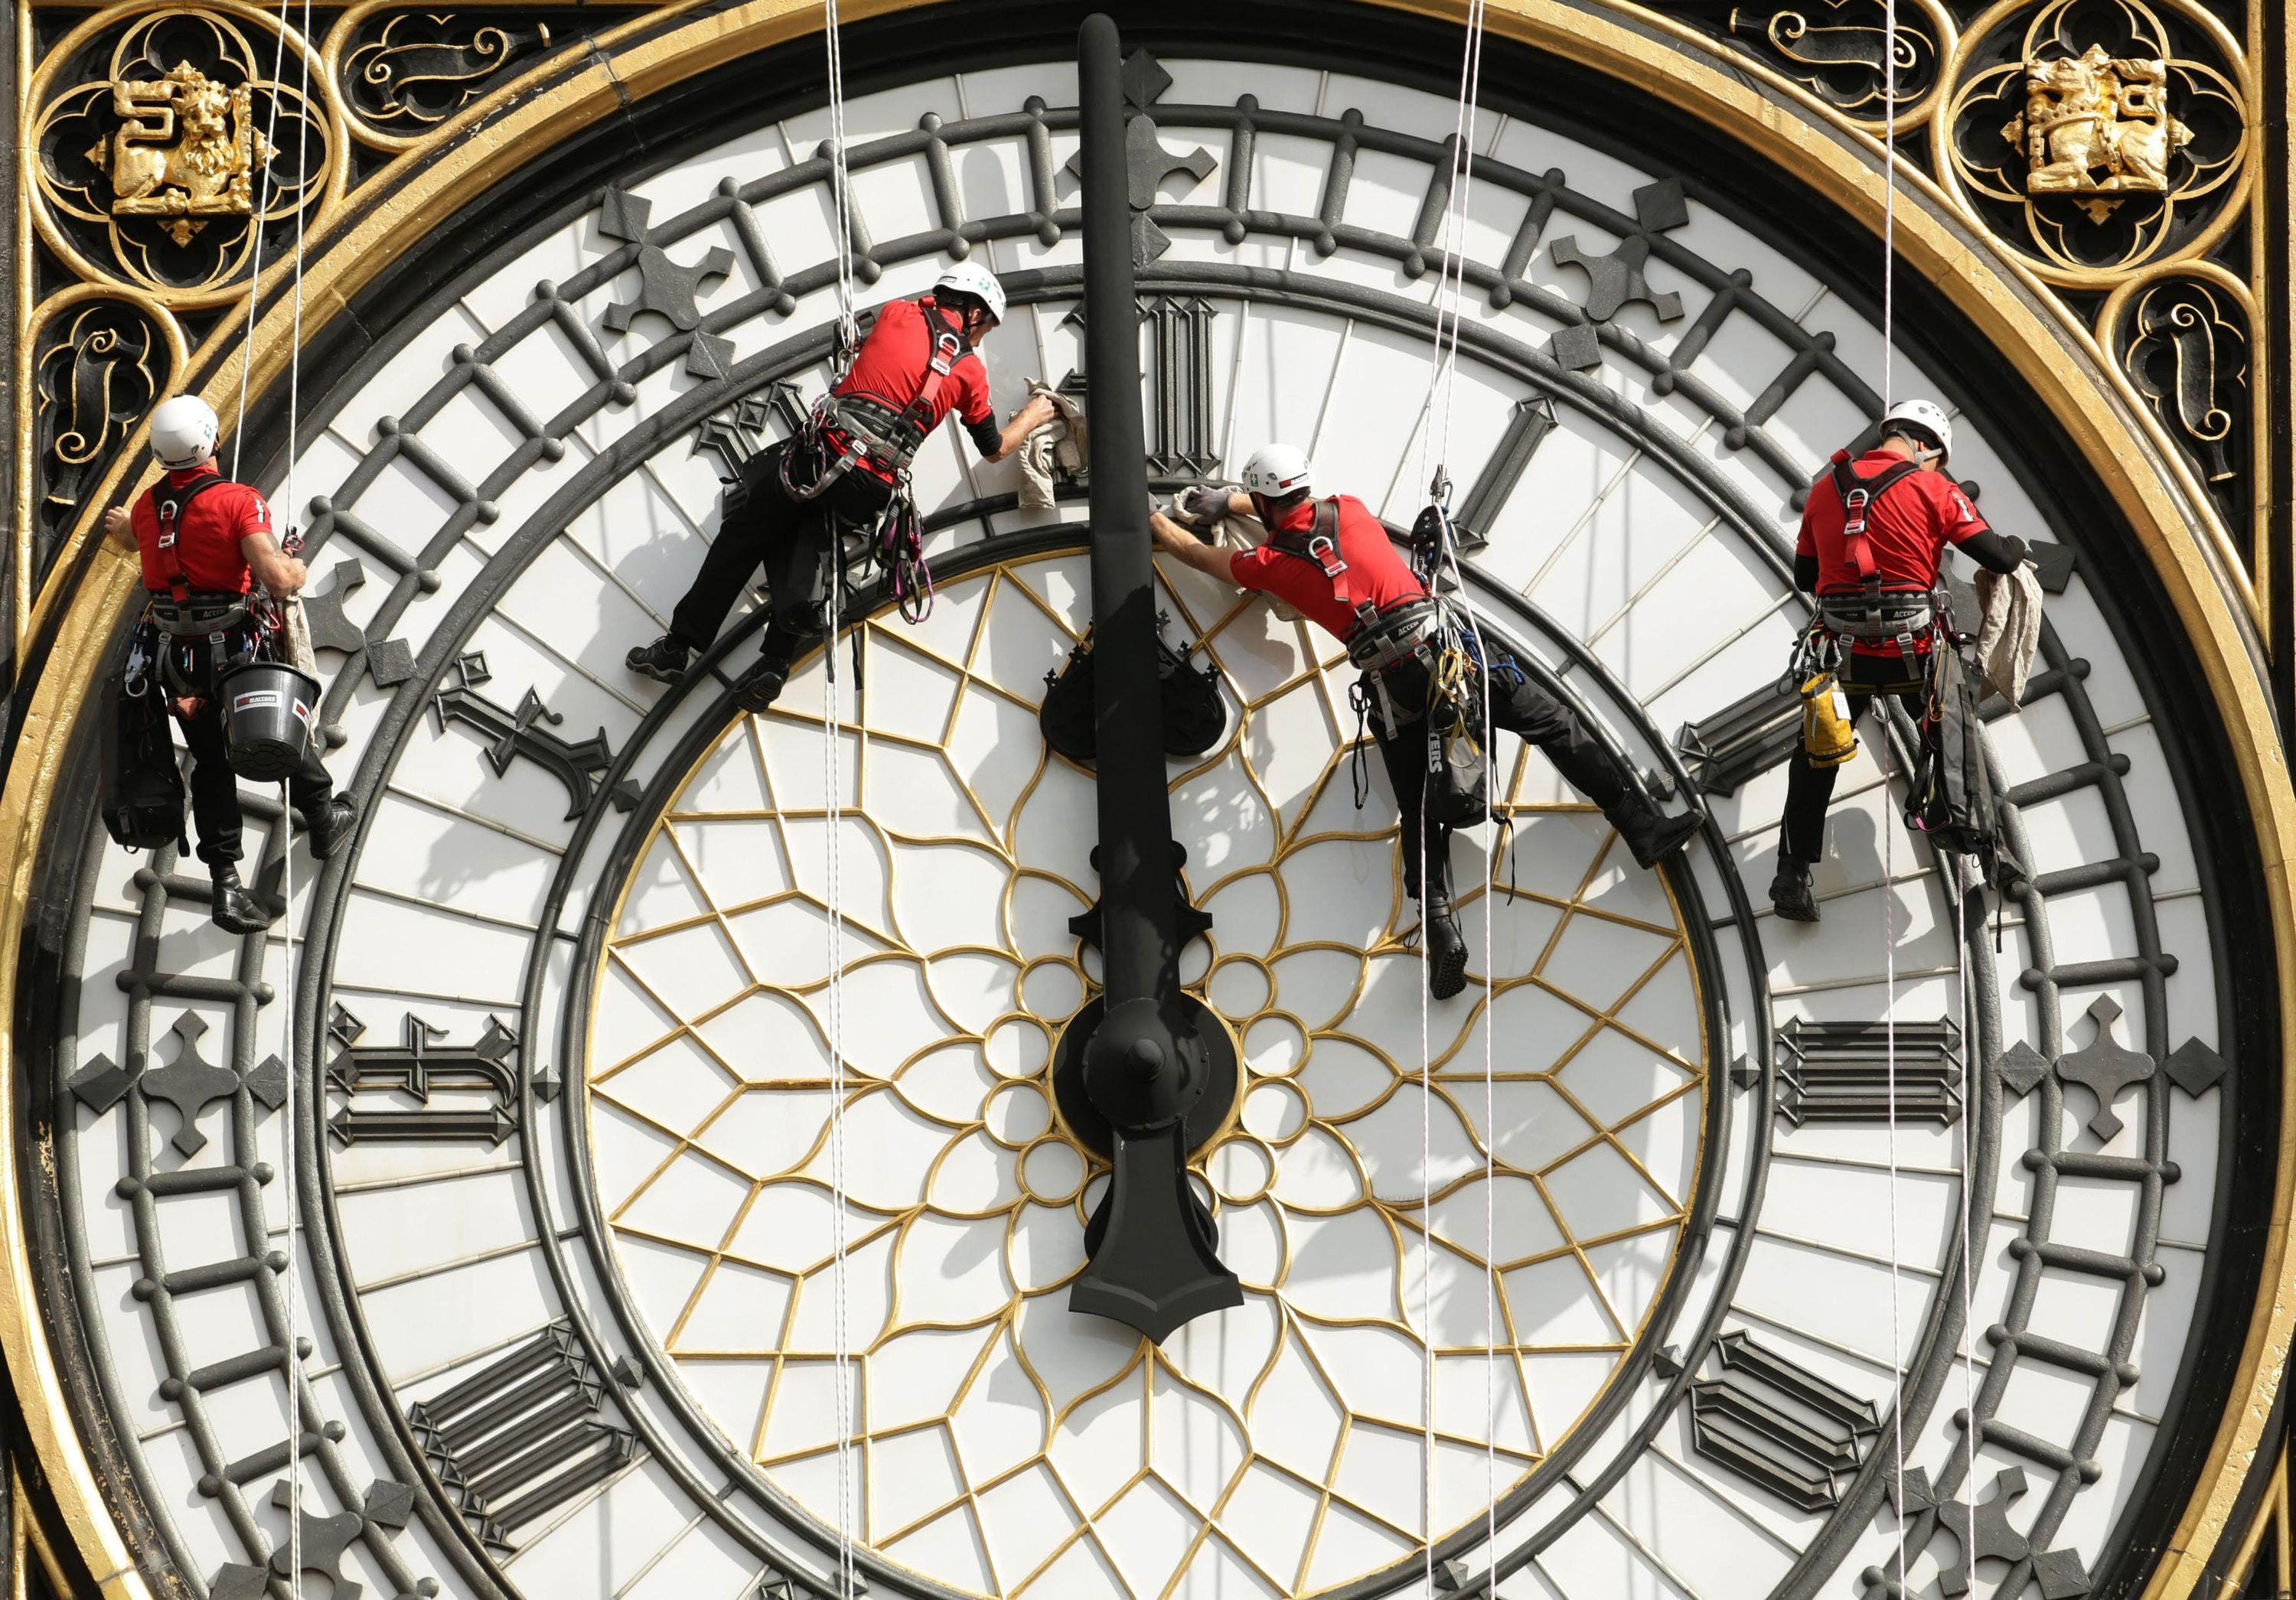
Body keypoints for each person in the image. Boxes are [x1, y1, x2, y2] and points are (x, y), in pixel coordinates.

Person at [1151, 443, 1703, 1000]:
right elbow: (1297, 509)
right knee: (1553, 723)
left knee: (1419, 810)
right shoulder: (1352, 510)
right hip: (1450, 658)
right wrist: (1238, 501)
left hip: (1397, 688)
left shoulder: (1270, 566)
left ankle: (1442, 934)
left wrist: (1157, 520)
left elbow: (1199, 557)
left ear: (1265, 503)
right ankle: (1641, 825)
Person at [627, 261, 1058, 710]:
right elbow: (995, 448)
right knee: (812, 542)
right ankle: (774, 664)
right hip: (872, 484)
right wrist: (1034, 414)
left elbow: (875, 345)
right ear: (974, 313)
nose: (981, 336)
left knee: (747, 532)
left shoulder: (897, 314)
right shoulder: (971, 374)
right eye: (986, 326)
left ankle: (679, 646)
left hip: (824, 453)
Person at [101, 395, 358, 934]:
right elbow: (280, 579)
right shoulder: (239, 502)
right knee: (279, 731)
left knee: (212, 766)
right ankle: (322, 815)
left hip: (177, 660)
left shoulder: (149, 509)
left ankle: (228, 886)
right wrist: (296, 565)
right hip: (235, 650)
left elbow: (129, 539)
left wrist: (125, 522)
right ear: (212, 441)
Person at [1769, 398, 2030, 923]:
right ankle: (1993, 857)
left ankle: (1791, 874)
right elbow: (1999, 556)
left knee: (1816, 755)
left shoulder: (1825, 489)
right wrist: (2018, 544)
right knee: (1956, 736)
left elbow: (1804, 575)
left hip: (1845, 661)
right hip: (1913, 655)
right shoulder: (1935, 488)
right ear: (1927, 447)